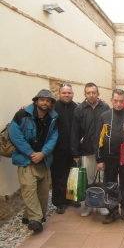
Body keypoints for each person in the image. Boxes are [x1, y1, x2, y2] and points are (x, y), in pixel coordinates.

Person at [9, 89, 58, 232]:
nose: (45, 102)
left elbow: (53, 137)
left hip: (44, 160)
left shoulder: (53, 118)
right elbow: (15, 135)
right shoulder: (22, 115)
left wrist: (43, 153)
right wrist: (31, 153)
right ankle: (35, 220)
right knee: (29, 190)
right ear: (36, 101)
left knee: (42, 193)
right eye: (42, 99)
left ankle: (31, 217)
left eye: (48, 100)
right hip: (26, 160)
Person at [94, 89, 124, 224]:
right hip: (109, 157)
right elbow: (99, 140)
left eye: (121, 101)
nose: (118, 103)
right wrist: (99, 159)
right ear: (111, 100)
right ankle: (113, 212)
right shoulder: (104, 117)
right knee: (110, 184)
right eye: (115, 101)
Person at [71, 82, 110, 217]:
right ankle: (88, 205)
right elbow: (75, 132)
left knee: (101, 178)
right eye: (88, 93)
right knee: (88, 179)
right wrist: (75, 152)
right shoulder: (80, 109)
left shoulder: (105, 106)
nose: (91, 95)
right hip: (86, 150)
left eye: (94, 92)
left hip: (102, 150)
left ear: (98, 94)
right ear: (85, 94)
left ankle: (100, 205)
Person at [51, 83, 79, 214]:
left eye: (69, 93)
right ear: (59, 94)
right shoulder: (53, 107)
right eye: (64, 93)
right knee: (59, 177)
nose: (66, 95)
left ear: (72, 94)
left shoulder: (77, 107)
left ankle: (72, 198)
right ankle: (59, 202)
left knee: (73, 176)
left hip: (74, 149)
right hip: (58, 150)